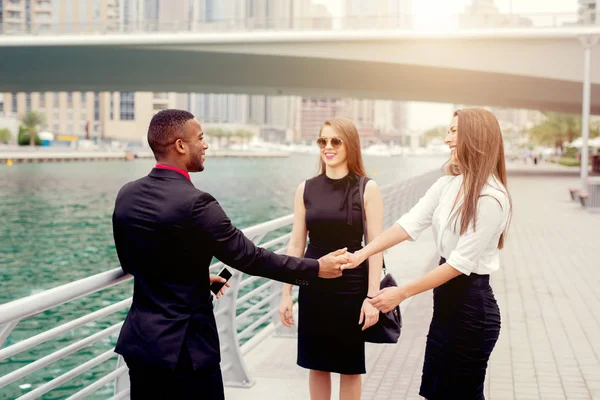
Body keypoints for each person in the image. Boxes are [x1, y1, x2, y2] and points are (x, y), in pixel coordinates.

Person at [112, 109, 352, 400]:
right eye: (200, 138)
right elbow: (251, 258)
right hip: (187, 352)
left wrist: (197, 278)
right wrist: (316, 267)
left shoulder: (127, 194)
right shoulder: (197, 203)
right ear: (180, 145)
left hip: (141, 346)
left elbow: (134, 263)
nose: (206, 145)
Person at [342, 108, 512, 400]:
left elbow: (458, 264)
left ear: (476, 137)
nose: (447, 139)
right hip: (446, 308)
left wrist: (402, 293)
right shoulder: (448, 184)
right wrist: (362, 254)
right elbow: (409, 224)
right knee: (435, 392)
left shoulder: (491, 198)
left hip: (473, 311)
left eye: (454, 131)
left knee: (462, 394)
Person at [278, 117, 384, 400]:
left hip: (351, 287)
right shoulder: (306, 188)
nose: (328, 147)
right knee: (317, 364)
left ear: (350, 145)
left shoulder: (367, 188)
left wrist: (372, 297)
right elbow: (297, 242)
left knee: (349, 366)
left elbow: (375, 246)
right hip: (313, 284)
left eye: (335, 141)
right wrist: (286, 292)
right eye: (323, 141)